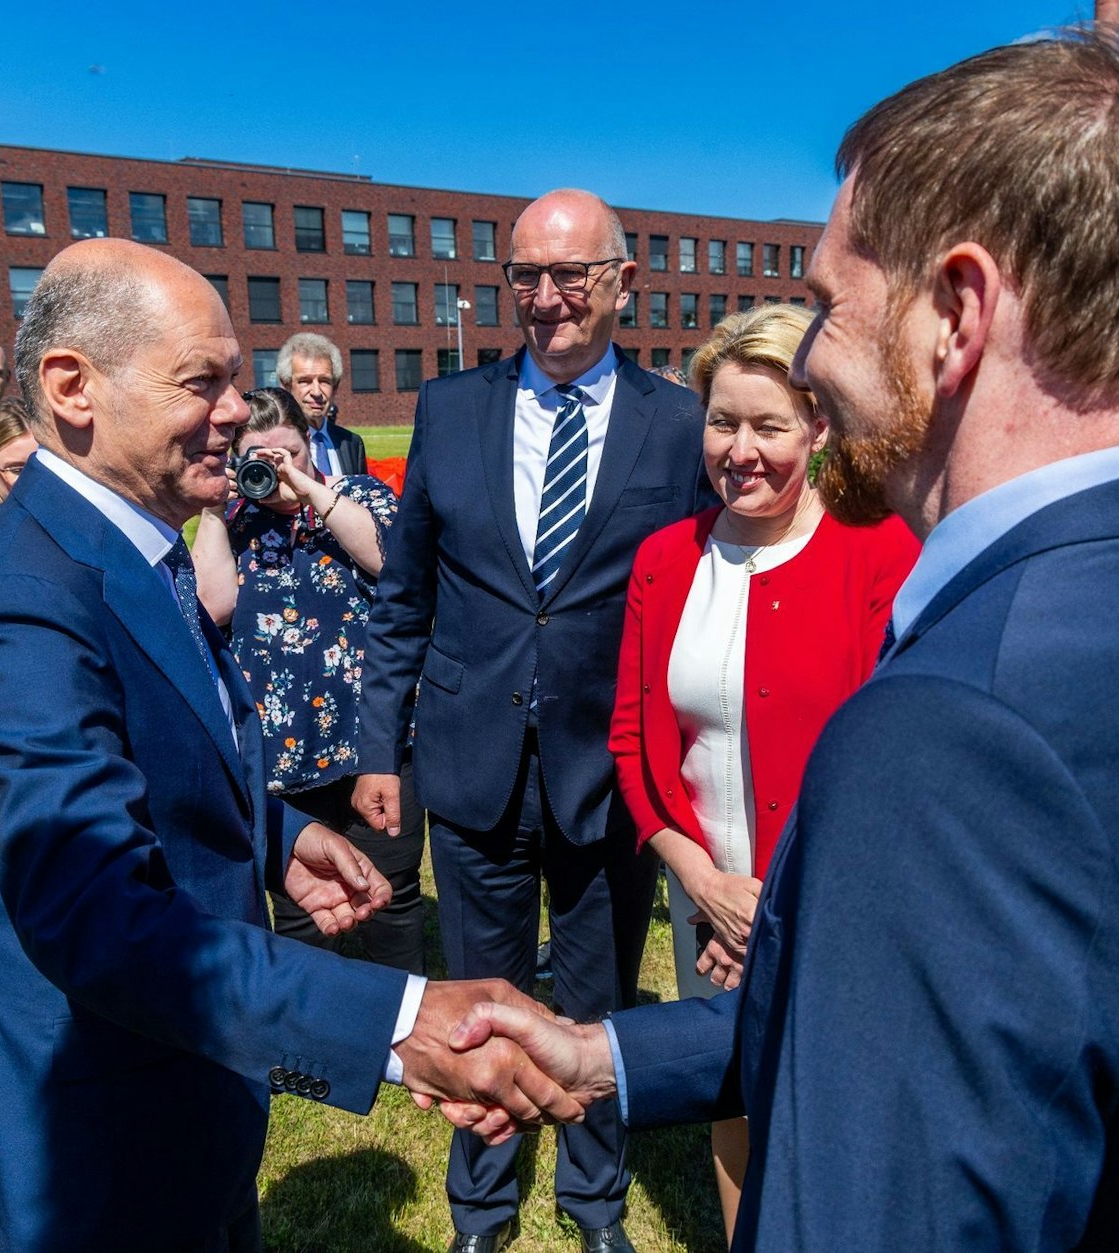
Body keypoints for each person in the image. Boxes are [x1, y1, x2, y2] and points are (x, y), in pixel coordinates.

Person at [438, 32, 1119, 1251]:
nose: (804, 358)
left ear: (954, 312)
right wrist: (605, 1053)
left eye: (823, 305)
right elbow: (913, 1029)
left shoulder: (959, 721)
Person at [0, 237, 581, 1253]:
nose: (235, 410)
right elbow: (99, 916)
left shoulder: (130, 548)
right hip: (90, 1155)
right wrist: (400, 1022)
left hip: (185, 1102)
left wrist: (272, 835)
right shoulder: (20, 604)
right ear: (74, 387)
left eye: (235, 378)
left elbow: (156, 747)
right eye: (200, 381)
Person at [355, 187, 709, 1253]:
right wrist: (378, 747)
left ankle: (594, 1202)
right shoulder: (449, 408)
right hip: (471, 762)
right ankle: (483, 1204)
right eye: (525, 275)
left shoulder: (676, 424)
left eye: (570, 275)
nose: (546, 297)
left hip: (608, 770)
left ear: (622, 283)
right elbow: (405, 593)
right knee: (479, 1000)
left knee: (598, 1002)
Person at [608, 302, 917, 1241]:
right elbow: (632, 741)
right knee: (735, 1098)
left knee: (834, 1115)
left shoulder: (880, 549)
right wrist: (703, 885)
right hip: (707, 910)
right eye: (722, 422)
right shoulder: (665, 560)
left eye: (768, 425)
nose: (739, 450)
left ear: (818, 428)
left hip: (840, 904)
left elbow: (893, 760)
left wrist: (771, 911)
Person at [193, 387, 426, 975]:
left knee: (392, 892)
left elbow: (391, 560)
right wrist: (215, 512)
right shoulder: (236, 519)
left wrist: (310, 490)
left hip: (372, 740)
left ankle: (406, 1009)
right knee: (301, 909)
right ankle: (315, 1015)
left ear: (310, 444)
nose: (277, 471)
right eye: (260, 459)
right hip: (282, 750)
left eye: (290, 453)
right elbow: (211, 607)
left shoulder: (356, 494)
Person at [278, 330, 369, 477]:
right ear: (286, 385)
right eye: (305, 381)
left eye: (324, 381)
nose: (316, 392)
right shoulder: (277, 445)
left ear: (335, 386)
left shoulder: (351, 443)